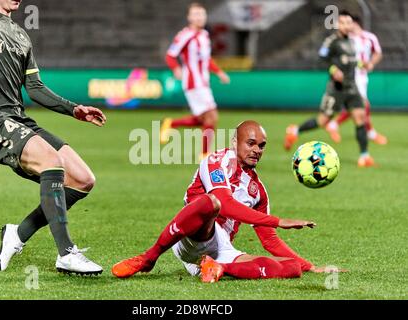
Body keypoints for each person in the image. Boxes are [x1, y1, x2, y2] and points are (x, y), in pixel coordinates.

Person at [0, 0, 107, 275]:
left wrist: (73, 109)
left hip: (19, 120)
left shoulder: (21, 34)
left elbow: (35, 88)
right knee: (52, 161)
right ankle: (66, 253)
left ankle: (18, 234)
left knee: (83, 179)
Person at [112, 120, 329, 283]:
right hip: (192, 235)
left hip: (220, 248)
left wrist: (309, 266)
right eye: (250, 143)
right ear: (235, 142)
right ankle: (149, 258)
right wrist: (278, 220)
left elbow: (269, 240)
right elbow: (224, 203)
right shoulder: (216, 161)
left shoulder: (258, 191)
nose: (256, 150)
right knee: (211, 203)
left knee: (292, 268)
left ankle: (219, 268)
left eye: (261, 146)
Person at [284, 11, 374, 167]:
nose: (347, 25)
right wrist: (333, 70)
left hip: (352, 87)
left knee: (361, 118)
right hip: (336, 89)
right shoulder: (331, 41)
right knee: (322, 120)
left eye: (349, 22)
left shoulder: (352, 42)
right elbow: (320, 60)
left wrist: (362, 65)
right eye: (344, 22)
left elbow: (352, 62)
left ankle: (364, 156)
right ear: (338, 24)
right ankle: (295, 131)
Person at [160, 2, 230, 160]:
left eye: (202, 14)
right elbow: (170, 55)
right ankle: (205, 153)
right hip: (193, 83)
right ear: (189, 17)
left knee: (202, 119)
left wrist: (219, 72)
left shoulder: (204, 35)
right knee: (212, 116)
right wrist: (176, 68)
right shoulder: (186, 34)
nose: (199, 17)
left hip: (203, 83)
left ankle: (171, 124)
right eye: (196, 14)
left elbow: (206, 59)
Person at [325, 15, 387, 145]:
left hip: (363, 76)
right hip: (350, 75)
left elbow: (378, 53)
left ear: (355, 24)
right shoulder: (346, 39)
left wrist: (371, 63)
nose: (347, 26)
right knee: (362, 105)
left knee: (358, 106)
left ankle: (333, 124)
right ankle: (370, 133)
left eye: (349, 23)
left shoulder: (369, 37)